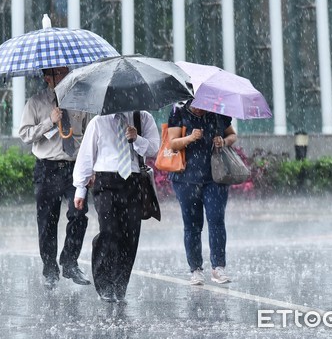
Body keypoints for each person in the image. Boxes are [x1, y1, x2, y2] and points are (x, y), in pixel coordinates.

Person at [73, 111, 159, 303]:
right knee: (109, 232)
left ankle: (120, 286)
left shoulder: (143, 118)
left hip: (133, 181)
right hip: (106, 182)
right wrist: (80, 189)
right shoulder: (98, 122)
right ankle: (104, 284)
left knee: (130, 237)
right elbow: (86, 155)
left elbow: (154, 148)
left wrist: (137, 139)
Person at [19, 67, 92, 289]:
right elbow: (25, 135)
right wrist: (50, 121)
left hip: (74, 168)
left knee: (79, 214)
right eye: (56, 74)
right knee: (47, 221)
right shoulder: (35, 102)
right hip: (47, 168)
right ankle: (50, 269)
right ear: (46, 77)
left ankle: (70, 262)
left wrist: (92, 167)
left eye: (64, 72)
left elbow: (90, 134)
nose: (61, 77)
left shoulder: (81, 100)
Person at [166, 100, 238, 286]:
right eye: (196, 104)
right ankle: (196, 269)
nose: (199, 108)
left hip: (215, 177)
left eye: (203, 104)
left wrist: (223, 141)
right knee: (192, 225)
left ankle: (218, 268)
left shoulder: (218, 111)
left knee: (216, 220)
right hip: (185, 179)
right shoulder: (178, 111)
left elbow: (232, 135)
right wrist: (189, 138)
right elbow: (172, 144)